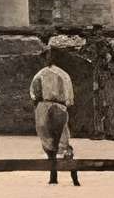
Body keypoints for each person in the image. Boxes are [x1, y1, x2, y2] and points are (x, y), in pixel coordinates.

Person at [30, 42, 79, 185]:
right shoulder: (64, 75)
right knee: (62, 141)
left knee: (49, 141)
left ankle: (55, 175)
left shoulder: (41, 74)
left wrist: (39, 106)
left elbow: (34, 93)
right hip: (59, 107)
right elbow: (69, 98)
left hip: (45, 106)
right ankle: (70, 177)